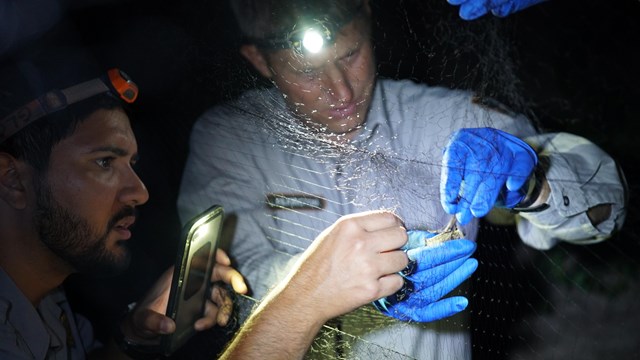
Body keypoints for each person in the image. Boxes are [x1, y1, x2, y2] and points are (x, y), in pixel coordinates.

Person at [177, 0, 627, 358]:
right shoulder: (228, 138)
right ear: (259, 59)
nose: (341, 91)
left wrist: (533, 183)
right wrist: (360, 285)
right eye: (308, 71)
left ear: (369, 20)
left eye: (351, 54)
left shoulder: (443, 117)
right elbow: (228, 292)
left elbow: (606, 207)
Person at [0, 60, 248, 358]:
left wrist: (135, 332)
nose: (140, 193)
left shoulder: (49, 301)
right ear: (13, 180)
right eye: (104, 161)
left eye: (131, 164)